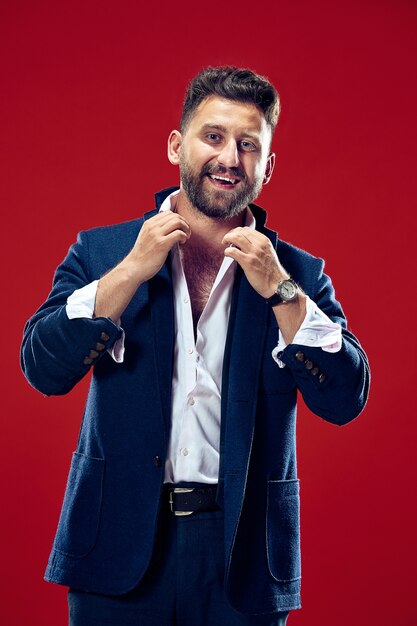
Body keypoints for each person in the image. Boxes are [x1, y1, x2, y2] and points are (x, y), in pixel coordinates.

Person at [21, 66, 370, 626]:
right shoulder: (102, 251)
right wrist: (131, 271)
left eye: (248, 144)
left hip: (243, 555)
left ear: (268, 166)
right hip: (118, 545)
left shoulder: (299, 274)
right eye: (213, 136)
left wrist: (281, 291)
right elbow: (42, 366)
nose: (230, 157)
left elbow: (347, 397)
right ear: (176, 145)